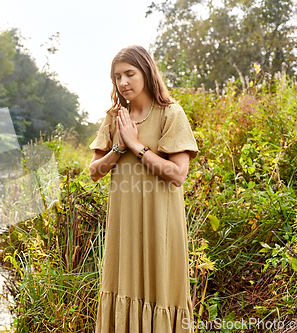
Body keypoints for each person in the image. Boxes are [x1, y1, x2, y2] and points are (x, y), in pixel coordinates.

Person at [88, 45, 199, 333]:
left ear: (146, 73)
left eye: (129, 74)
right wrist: (118, 146)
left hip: (160, 221)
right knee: (123, 282)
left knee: (161, 286)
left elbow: (177, 174)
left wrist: (136, 146)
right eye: (117, 77)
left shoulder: (170, 114)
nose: (123, 83)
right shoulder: (115, 118)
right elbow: (94, 172)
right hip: (124, 224)